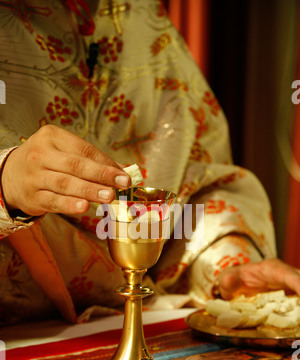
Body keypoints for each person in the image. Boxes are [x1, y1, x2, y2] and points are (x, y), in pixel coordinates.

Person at [0, 0, 299, 325]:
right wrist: (5, 183)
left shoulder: (135, 11)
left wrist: (227, 265)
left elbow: (193, 185)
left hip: (132, 320)